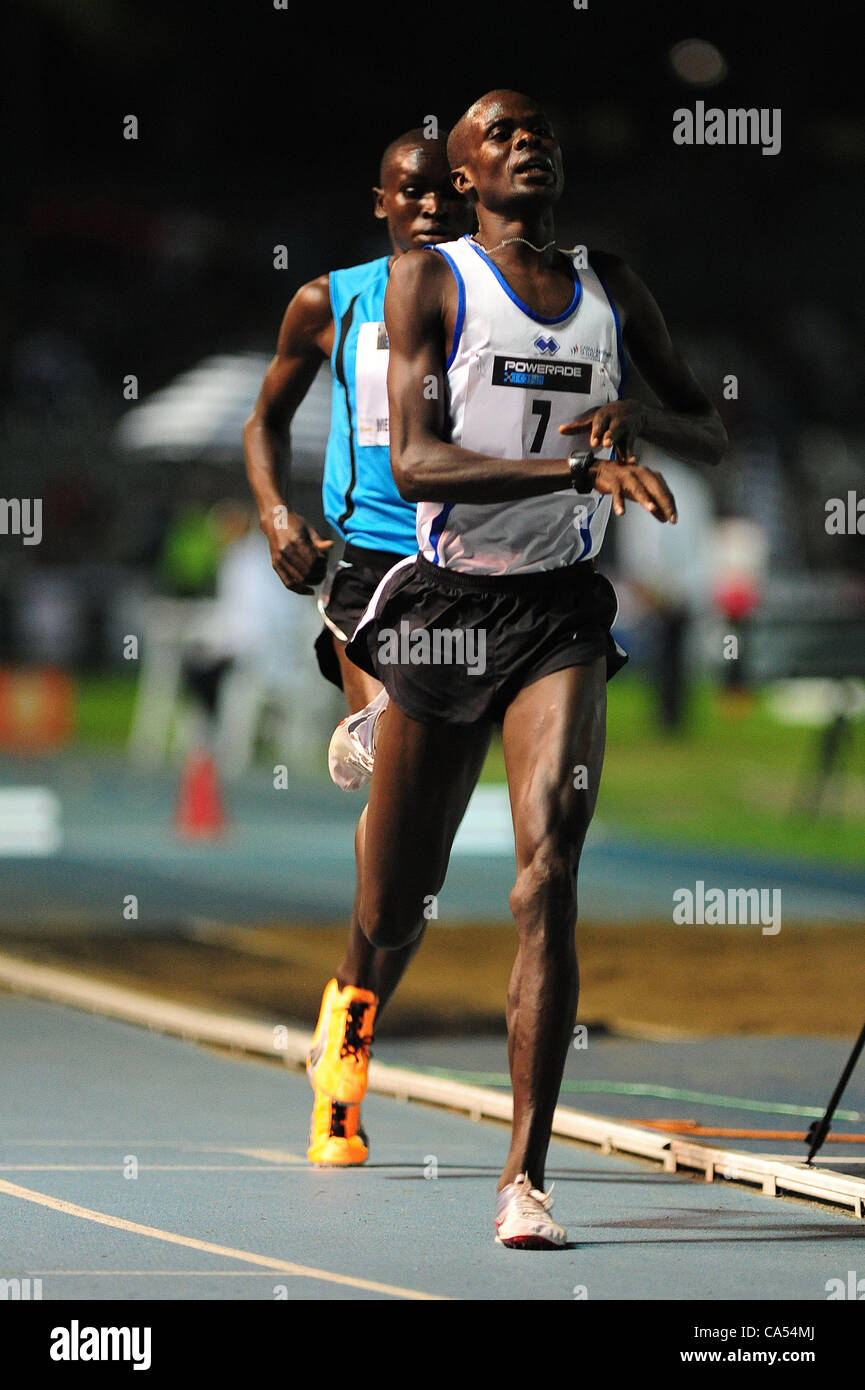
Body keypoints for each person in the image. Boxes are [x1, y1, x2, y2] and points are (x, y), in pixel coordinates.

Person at [343, 89, 727, 1246]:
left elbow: (708, 423)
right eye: (500, 133)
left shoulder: (614, 287)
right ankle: (347, 1042)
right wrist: (572, 476)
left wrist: (637, 423)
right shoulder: (433, 284)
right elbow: (414, 463)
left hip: (559, 613)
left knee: (544, 873)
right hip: (444, 610)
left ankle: (523, 1178)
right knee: (395, 902)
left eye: (541, 129)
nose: (529, 142)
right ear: (464, 176)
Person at [243, 131, 470, 1167]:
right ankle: (371, 729)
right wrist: (273, 512)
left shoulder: (490, 300)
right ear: (379, 199)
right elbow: (264, 419)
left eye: (442, 194)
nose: (427, 209)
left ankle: (350, 1008)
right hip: (366, 565)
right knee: (391, 767)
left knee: (413, 871)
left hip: (473, 573)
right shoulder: (331, 301)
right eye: (408, 194)